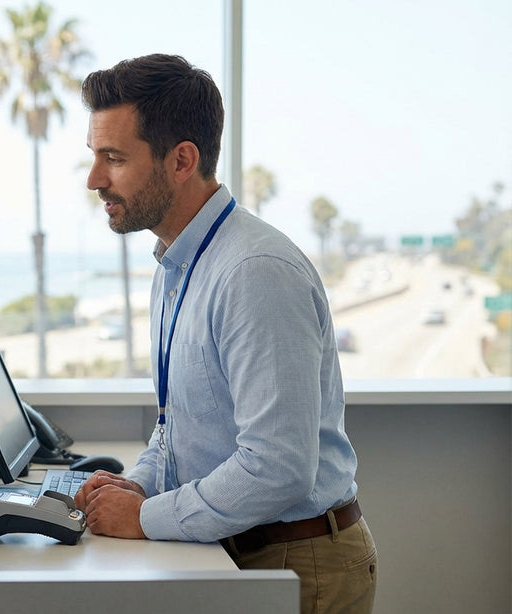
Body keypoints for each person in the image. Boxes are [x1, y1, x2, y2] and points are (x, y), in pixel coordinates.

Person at [73, 54, 377, 614]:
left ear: (182, 160)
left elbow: (277, 466)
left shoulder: (254, 272)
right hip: (236, 553)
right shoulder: (178, 264)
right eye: (95, 157)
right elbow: (181, 427)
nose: (95, 180)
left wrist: (143, 518)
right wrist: (138, 484)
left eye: (113, 158)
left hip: (296, 564)